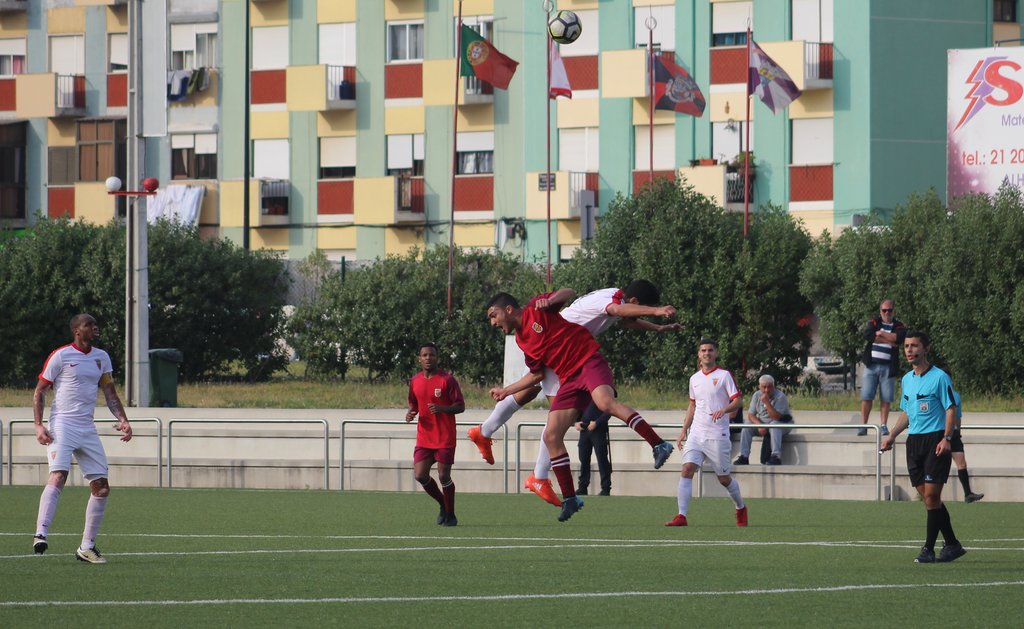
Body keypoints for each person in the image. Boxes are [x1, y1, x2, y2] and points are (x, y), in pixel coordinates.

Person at [470, 281, 680, 507]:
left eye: (493, 316)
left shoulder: (614, 299)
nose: (492, 322)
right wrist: (657, 311)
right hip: (562, 350)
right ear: (635, 302)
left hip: (566, 351)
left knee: (537, 402)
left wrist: (657, 328)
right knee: (551, 416)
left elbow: (626, 319)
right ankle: (537, 475)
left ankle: (488, 433)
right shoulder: (611, 302)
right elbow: (616, 310)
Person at [32, 314, 133, 564]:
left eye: (95, 324)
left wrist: (123, 419)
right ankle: (41, 533)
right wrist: (38, 425)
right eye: (89, 325)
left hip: (87, 428)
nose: (95, 328)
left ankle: (86, 547)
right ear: (77, 331)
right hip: (62, 426)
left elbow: (110, 392)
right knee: (59, 475)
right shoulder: (61, 356)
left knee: (102, 487)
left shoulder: (102, 357)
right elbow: (40, 391)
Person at [880, 331, 967, 563]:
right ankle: (952, 544)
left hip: (935, 440)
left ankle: (928, 550)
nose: (909, 350)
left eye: (914, 346)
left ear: (926, 348)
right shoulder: (907, 380)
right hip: (914, 443)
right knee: (929, 499)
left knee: (931, 495)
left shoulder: (939, 377)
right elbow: (907, 412)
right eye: (906, 346)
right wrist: (892, 435)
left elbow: (950, 409)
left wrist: (947, 438)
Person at [666, 339, 748, 528]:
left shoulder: (724, 375)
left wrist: (724, 410)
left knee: (724, 479)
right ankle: (681, 515)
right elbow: (692, 405)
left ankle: (741, 507)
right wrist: (683, 430)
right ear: (699, 354)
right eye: (703, 350)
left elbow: (738, 401)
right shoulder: (694, 379)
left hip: (717, 435)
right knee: (687, 469)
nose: (707, 353)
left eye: (710, 350)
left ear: (716, 353)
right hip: (696, 434)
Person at [405, 343, 465, 527]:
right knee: (420, 475)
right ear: (419, 359)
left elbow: (460, 406)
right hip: (424, 437)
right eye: (424, 355)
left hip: (445, 437)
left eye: (431, 355)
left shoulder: (447, 380)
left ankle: (451, 515)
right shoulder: (415, 381)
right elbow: (414, 404)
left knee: (443, 476)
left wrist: (442, 408)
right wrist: (410, 413)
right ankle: (443, 504)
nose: (428, 358)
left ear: (437, 358)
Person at [857, 299, 906, 436]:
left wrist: (881, 334)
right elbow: (868, 335)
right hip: (871, 365)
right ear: (880, 311)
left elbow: (898, 338)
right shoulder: (874, 322)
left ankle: (883, 425)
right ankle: (863, 425)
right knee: (866, 396)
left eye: (889, 310)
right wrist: (888, 341)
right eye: (884, 310)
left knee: (886, 397)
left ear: (893, 311)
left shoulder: (898, 325)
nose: (887, 313)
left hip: (888, 366)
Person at [734, 374, 793, 466]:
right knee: (747, 425)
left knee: (774, 424)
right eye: (764, 387)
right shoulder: (756, 395)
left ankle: (776, 456)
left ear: (773, 386)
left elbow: (776, 417)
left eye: (769, 387)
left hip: (781, 423)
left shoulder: (780, 396)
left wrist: (767, 402)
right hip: (763, 424)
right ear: (759, 386)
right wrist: (759, 425)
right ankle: (744, 456)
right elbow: (751, 415)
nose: (766, 390)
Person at [950, 389, 984, 503]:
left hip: (953, 433)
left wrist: (958, 433)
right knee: (937, 464)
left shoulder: (955, 395)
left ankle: (968, 493)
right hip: (938, 431)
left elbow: (957, 417)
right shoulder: (936, 392)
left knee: (962, 463)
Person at [575, 405, 611, 496]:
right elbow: (577, 409)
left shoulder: (604, 396)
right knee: (583, 459)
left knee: (602, 459)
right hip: (584, 430)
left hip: (599, 430)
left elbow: (609, 410)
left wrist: (597, 422)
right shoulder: (584, 397)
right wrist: (576, 422)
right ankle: (582, 487)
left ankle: (605, 488)